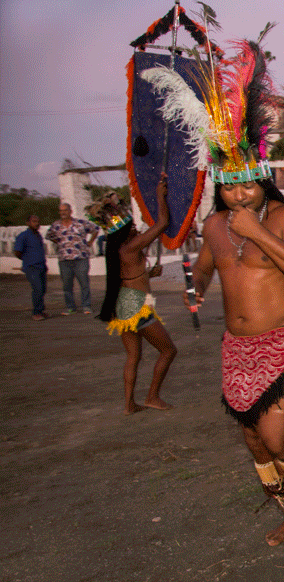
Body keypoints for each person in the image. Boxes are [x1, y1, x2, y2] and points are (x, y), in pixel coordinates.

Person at [145, 32, 284, 546]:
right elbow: (206, 266)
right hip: (236, 348)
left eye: (248, 184)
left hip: (281, 342)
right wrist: (197, 287)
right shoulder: (214, 227)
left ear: (264, 179)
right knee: (254, 440)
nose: (239, 194)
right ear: (220, 187)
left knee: (278, 435)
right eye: (229, 187)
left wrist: (258, 233)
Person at [96, 174, 177, 415]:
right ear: (124, 232)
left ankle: (129, 404)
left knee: (133, 356)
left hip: (124, 303)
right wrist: (160, 197)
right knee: (169, 350)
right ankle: (152, 397)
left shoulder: (119, 250)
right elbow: (162, 224)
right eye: (131, 226)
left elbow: (130, 277)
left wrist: (150, 274)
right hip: (136, 306)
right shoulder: (131, 246)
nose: (135, 228)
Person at [46, 202, 99, 314]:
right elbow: (49, 236)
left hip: (81, 258)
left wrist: (90, 242)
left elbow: (96, 229)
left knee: (84, 283)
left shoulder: (81, 223)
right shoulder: (56, 225)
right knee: (67, 285)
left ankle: (86, 306)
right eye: (61, 211)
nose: (62, 213)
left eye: (65, 210)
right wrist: (61, 243)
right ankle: (70, 307)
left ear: (70, 211)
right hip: (64, 259)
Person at [13, 214, 48, 320]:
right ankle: (36, 312)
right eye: (33, 221)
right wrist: (27, 259)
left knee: (42, 289)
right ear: (28, 223)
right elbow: (17, 251)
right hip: (31, 267)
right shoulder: (23, 235)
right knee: (37, 288)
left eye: (37, 221)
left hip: (41, 266)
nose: (36, 223)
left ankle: (41, 311)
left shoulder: (38, 235)